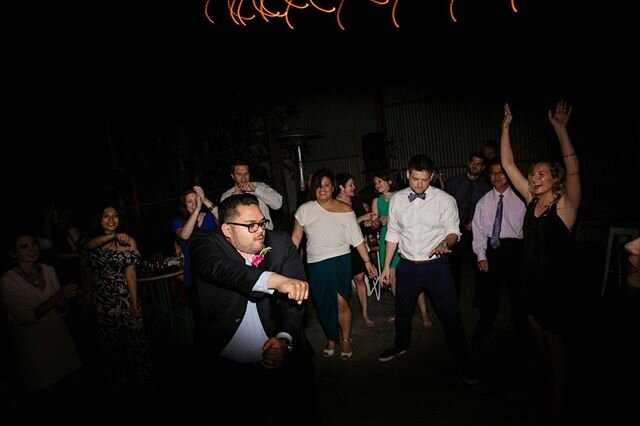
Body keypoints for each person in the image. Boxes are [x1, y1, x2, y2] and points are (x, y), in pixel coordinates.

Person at [189, 193, 319, 426]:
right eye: (250, 226)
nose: (260, 230)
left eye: (261, 223)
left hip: (279, 361)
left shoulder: (279, 243)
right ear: (227, 230)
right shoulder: (205, 243)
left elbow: (292, 303)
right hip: (226, 366)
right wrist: (275, 280)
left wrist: (284, 339)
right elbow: (221, 269)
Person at [500, 100, 581, 419]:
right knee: (539, 337)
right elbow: (507, 165)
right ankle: (550, 382)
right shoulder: (531, 199)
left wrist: (561, 130)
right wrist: (505, 127)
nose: (534, 178)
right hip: (531, 283)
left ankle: (559, 402)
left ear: (554, 179)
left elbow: (573, 168)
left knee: (554, 343)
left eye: (541, 174)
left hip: (556, 286)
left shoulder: (565, 206)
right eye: (533, 174)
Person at [377, 155, 478, 385]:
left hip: (436, 267)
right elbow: (392, 234)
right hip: (407, 267)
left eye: (424, 179)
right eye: (414, 179)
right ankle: (401, 345)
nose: (419, 184)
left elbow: (454, 231)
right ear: (407, 175)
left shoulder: (445, 200)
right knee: (402, 312)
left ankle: (462, 359)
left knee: (450, 315)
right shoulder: (398, 199)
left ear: (432, 176)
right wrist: (386, 267)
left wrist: (446, 243)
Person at [1, 229, 84, 426]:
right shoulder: (8, 281)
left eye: (34, 244)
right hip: (36, 356)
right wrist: (57, 297)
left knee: (75, 404)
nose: (32, 249)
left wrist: (67, 298)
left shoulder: (48, 270)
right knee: (48, 409)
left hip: (62, 347)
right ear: (14, 253)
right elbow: (25, 317)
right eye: (24, 246)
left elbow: (60, 310)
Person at [291, 169, 376, 360]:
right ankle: (331, 338)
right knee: (323, 304)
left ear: (333, 187)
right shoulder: (304, 210)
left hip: (340, 260)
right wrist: (286, 262)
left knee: (341, 302)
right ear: (314, 188)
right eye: (319, 186)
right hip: (316, 263)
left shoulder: (346, 210)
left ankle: (345, 338)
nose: (322, 189)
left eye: (327, 185)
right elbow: (295, 240)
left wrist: (367, 262)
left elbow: (357, 239)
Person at [80, 205, 153, 407]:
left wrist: (134, 303)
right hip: (104, 302)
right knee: (112, 348)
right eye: (106, 216)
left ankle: (144, 389)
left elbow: (131, 273)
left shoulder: (128, 241)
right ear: (99, 220)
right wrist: (112, 237)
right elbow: (86, 251)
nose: (111, 220)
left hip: (126, 298)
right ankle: (119, 392)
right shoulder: (92, 242)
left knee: (136, 345)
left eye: (115, 216)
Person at [471, 157, 528, 340]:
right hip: (492, 249)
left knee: (518, 292)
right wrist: (481, 255)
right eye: (492, 173)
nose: (496, 176)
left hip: (516, 249)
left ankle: (523, 328)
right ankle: (486, 323)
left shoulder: (522, 199)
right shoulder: (483, 202)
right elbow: (478, 232)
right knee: (489, 291)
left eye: (500, 172)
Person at [371, 169, 432, 329]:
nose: (376, 185)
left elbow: (412, 215)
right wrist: (377, 222)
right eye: (375, 182)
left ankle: (424, 313)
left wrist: (390, 218)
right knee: (392, 281)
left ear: (389, 181)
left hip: (404, 239)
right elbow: (375, 222)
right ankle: (403, 310)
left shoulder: (402, 195)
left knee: (414, 279)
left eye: (380, 181)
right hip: (387, 240)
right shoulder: (376, 201)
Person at [445, 152, 491, 300]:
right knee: (453, 266)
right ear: (468, 162)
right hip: (455, 230)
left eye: (478, 164)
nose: (474, 166)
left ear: (483, 167)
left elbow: (489, 210)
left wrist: (475, 221)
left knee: (479, 264)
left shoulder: (487, 188)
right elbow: (444, 207)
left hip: (475, 232)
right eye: (473, 162)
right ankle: (453, 297)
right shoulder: (453, 183)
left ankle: (481, 298)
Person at [335, 172, 377, 327]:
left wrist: (370, 222)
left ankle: (365, 314)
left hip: (356, 246)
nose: (354, 187)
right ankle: (343, 316)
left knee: (360, 279)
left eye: (353, 184)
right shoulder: (334, 205)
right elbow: (341, 227)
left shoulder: (356, 201)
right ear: (341, 187)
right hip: (341, 247)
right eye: (350, 185)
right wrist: (361, 219)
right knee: (343, 283)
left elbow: (361, 225)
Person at [171, 185, 218, 309]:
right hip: (193, 276)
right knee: (200, 318)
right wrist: (197, 210)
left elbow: (223, 219)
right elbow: (185, 235)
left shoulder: (209, 216)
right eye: (189, 201)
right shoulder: (178, 221)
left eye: (195, 200)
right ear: (184, 205)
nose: (193, 204)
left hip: (215, 271)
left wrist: (205, 200)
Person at [220, 160, 283, 230]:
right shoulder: (227, 195)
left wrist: (256, 190)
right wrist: (234, 197)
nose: (243, 178)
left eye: (246, 174)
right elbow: (224, 219)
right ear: (233, 176)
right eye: (239, 174)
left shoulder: (260, 186)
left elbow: (278, 204)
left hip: (266, 232)